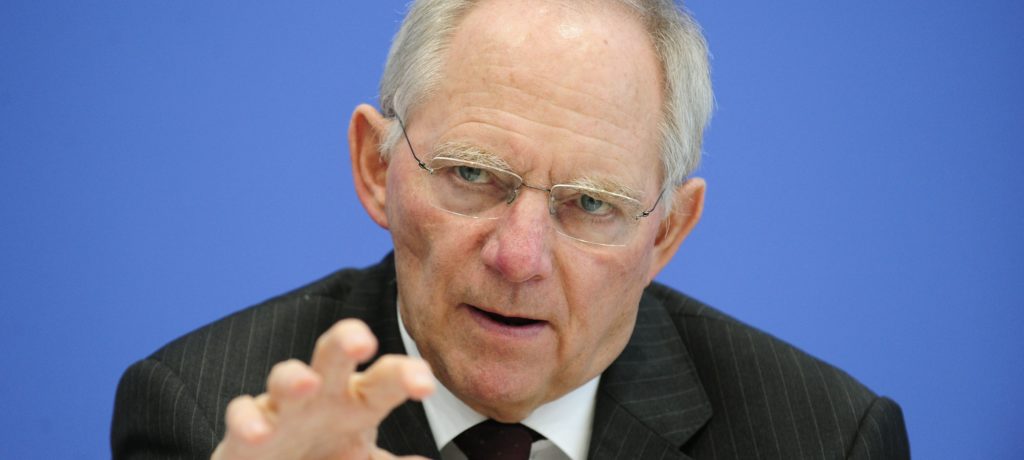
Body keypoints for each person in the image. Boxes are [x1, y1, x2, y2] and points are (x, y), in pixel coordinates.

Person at [111, 0, 910, 458]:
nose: (519, 258)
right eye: (471, 175)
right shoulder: (207, 418)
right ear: (375, 167)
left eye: (590, 203)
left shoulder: (825, 438)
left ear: (667, 233)